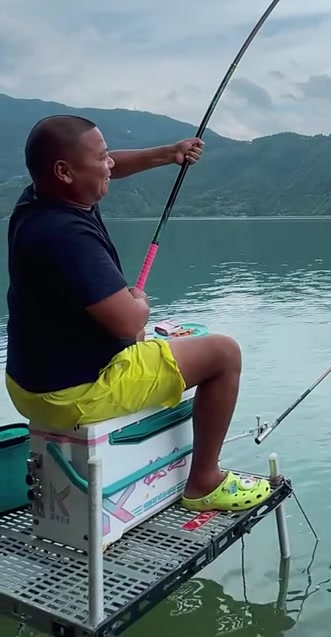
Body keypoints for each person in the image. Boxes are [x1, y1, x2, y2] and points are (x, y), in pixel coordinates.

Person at [4, 114, 270, 512]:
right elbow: (129, 321)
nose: (110, 164)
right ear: (64, 171)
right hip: (73, 393)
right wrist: (138, 301)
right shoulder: (67, 234)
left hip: (28, 384)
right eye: (101, 158)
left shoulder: (38, 201)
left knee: (147, 339)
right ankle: (204, 481)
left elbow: (113, 165)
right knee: (223, 354)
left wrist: (168, 153)